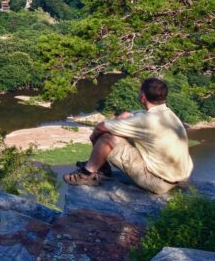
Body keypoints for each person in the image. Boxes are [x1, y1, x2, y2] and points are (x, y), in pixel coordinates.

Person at [63, 77, 192, 194]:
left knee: (106, 138)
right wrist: (124, 116)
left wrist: (94, 138)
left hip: (158, 182)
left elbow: (100, 127)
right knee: (122, 133)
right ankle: (101, 167)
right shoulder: (169, 115)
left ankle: (87, 174)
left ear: (142, 97)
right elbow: (133, 114)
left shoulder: (144, 121)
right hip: (179, 176)